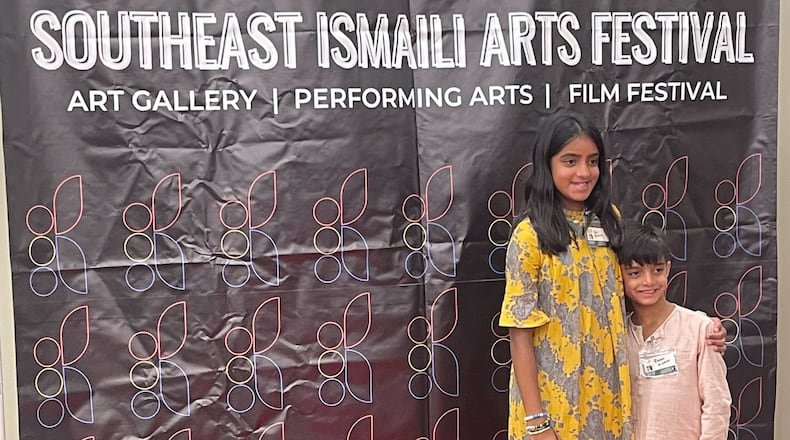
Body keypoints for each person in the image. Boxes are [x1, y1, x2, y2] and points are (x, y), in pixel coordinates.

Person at [498, 111, 726, 440]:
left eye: (592, 161)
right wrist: (536, 422)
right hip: (551, 405)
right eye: (570, 161)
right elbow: (519, 334)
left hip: (608, 400)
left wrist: (701, 329)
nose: (583, 172)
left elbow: (638, 288)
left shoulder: (608, 220)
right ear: (547, 165)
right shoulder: (530, 236)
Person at [617, 221, 730, 440]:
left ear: (668, 269)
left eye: (657, 270)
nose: (648, 281)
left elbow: (717, 403)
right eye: (635, 273)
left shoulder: (700, 329)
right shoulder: (617, 334)